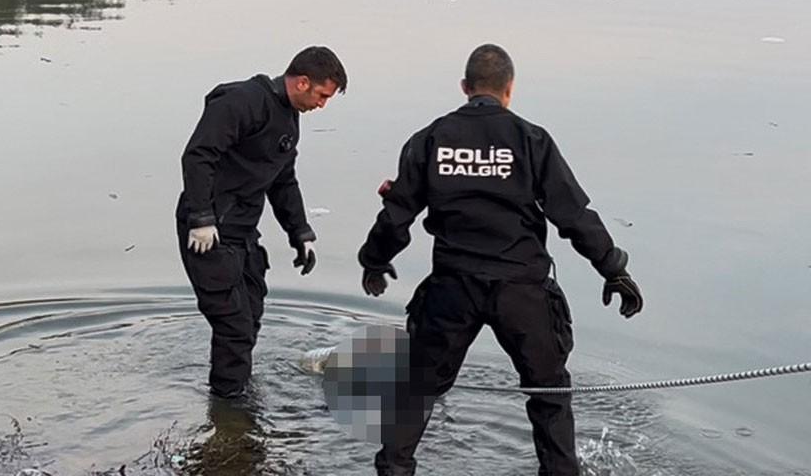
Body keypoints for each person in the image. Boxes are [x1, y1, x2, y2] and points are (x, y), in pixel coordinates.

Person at [358, 44, 643, 476]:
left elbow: (398, 213)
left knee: (417, 391)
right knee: (549, 396)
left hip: (453, 288)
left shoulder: (431, 138)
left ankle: (393, 471)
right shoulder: (531, 139)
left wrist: (375, 261)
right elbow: (572, 214)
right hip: (522, 291)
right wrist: (613, 268)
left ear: (464, 87)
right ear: (509, 91)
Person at [176, 46, 347, 399]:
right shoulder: (241, 103)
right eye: (321, 95)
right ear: (302, 82)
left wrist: (300, 232)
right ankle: (229, 408)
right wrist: (201, 217)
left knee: (250, 314)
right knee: (233, 326)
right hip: (208, 232)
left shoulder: (288, 118)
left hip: (242, 232)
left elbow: (283, 179)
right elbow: (198, 156)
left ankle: (236, 389)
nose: (322, 105)